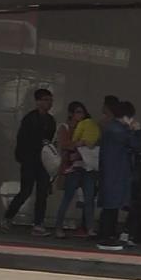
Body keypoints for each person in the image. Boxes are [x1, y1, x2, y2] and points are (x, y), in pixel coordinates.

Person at [3, 88, 56, 234]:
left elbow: (50, 140)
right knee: (26, 191)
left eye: (50, 100)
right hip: (30, 160)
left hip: (44, 161)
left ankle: (38, 223)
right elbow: (22, 139)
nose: (49, 103)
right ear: (38, 102)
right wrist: (24, 157)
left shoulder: (51, 120)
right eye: (46, 100)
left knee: (42, 193)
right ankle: (8, 217)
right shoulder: (30, 118)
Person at [53, 102, 101, 238]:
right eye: (78, 112)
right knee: (67, 198)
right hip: (72, 167)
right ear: (71, 114)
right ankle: (58, 227)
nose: (81, 115)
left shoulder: (88, 126)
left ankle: (89, 228)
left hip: (87, 166)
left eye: (82, 112)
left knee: (89, 198)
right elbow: (64, 144)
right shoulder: (65, 127)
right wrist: (78, 144)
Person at [97, 97, 134, 251]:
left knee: (110, 207)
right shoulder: (118, 131)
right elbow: (136, 144)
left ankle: (107, 236)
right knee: (111, 207)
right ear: (126, 116)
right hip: (115, 173)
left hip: (111, 173)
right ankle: (107, 238)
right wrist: (134, 130)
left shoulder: (112, 128)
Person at [119, 102, 141, 245]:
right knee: (139, 209)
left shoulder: (136, 151)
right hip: (140, 181)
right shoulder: (140, 152)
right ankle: (134, 234)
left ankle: (131, 233)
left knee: (137, 209)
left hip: (138, 181)